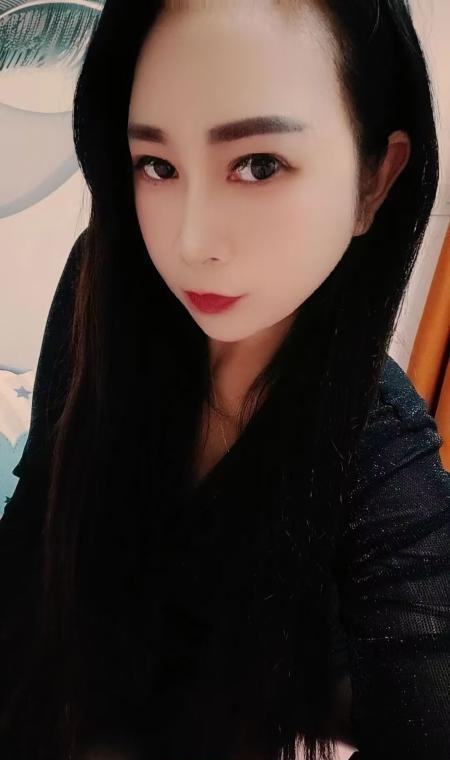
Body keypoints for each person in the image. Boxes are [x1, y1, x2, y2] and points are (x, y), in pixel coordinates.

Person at [0, 1, 449, 758]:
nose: (190, 240)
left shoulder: (378, 450)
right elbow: (37, 522)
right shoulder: (102, 289)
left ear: (376, 180)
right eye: (157, 165)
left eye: (258, 164)